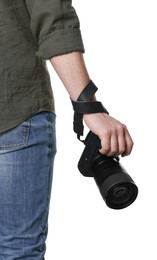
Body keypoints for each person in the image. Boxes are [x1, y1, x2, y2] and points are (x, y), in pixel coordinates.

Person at [0, 0, 133, 259]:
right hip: (13, 109)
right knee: (17, 251)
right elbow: (51, 16)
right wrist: (88, 106)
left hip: (12, 115)